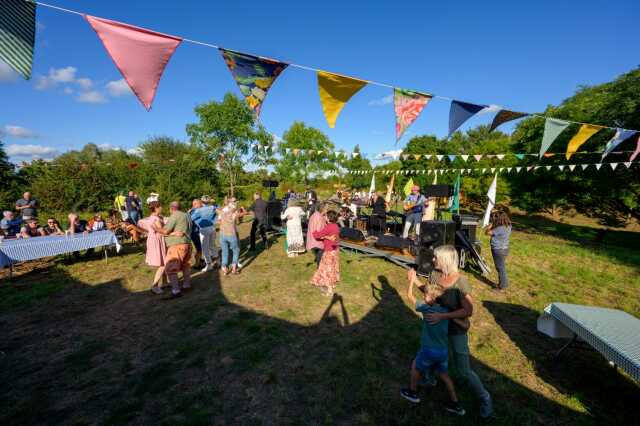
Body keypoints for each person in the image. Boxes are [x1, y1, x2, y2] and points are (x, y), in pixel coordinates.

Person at [409, 245, 493, 419]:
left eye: (435, 258)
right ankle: (430, 378)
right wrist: (414, 280)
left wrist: (443, 316)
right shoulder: (435, 274)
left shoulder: (460, 282)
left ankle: (485, 398)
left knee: (463, 370)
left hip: (455, 330)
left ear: (445, 261)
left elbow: (468, 310)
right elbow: (430, 294)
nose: (432, 260)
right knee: (434, 352)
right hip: (439, 329)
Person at [401, 272, 465, 416]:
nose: (423, 297)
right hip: (443, 351)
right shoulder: (446, 311)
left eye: (425, 295)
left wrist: (411, 281)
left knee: (415, 366)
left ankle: (412, 392)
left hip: (428, 350)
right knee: (444, 374)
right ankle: (456, 403)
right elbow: (460, 318)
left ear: (432, 299)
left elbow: (410, 297)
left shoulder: (426, 309)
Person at [153, 201, 192, 298]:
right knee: (185, 265)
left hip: (176, 245)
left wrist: (156, 228)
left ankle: (176, 291)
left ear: (171, 208)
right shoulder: (187, 215)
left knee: (170, 268)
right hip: (187, 243)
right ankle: (186, 285)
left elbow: (165, 230)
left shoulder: (175, 215)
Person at [137, 201, 168, 294]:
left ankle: (165, 282)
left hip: (154, 239)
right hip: (156, 240)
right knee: (163, 264)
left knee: (164, 261)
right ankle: (154, 286)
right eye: (160, 207)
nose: (162, 208)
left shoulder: (153, 217)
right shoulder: (156, 219)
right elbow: (162, 231)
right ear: (156, 208)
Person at [310, 210, 340, 296]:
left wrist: (314, 230)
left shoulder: (328, 227)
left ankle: (329, 291)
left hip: (329, 251)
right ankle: (331, 284)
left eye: (326, 216)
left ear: (329, 218)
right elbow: (334, 238)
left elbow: (317, 235)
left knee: (328, 270)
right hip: (335, 251)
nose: (324, 217)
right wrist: (327, 237)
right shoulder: (335, 226)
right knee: (331, 268)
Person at [485, 210, 512, 290]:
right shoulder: (508, 225)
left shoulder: (499, 228)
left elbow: (487, 232)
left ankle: (503, 285)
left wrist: (491, 224)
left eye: (495, 217)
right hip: (505, 248)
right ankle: (504, 283)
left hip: (498, 250)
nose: (493, 218)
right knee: (501, 266)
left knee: (500, 268)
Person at [217, 199, 245, 275]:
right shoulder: (234, 212)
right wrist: (242, 209)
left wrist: (223, 222)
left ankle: (224, 268)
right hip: (231, 234)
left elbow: (218, 221)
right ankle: (234, 268)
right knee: (236, 250)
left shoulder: (222, 211)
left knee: (224, 252)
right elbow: (242, 216)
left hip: (222, 234)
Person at [190, 198, 218, 272]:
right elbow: (217, 207)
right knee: (212, 245)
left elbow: (189, 219)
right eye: (193, 204)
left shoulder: (197, 211)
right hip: (212, 228)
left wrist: (190, 211)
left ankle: (209, 265)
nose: (194, 206)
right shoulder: (211, 207)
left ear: (200, 203)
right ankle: (218, 261)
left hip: (204, 229)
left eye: (195, 204)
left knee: (205, 248)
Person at [306, 202, 328, 268]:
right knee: (321, 253)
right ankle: (320, 267)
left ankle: (320, 265)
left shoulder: (315, 214)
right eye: (326, 209)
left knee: (320, 253)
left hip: (311, 239)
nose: (327, 210)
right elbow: (318, 233)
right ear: (323, 209)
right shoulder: (319, 218)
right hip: (317, 241)